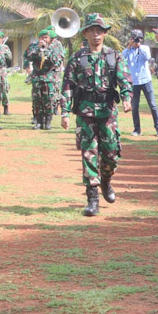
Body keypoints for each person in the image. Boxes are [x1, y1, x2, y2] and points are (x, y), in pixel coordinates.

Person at [59, 13, 133, 216]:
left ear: (105, 33)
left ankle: (106, 181)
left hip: (108, 112)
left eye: (99, 31)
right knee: (89, 153)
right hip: (85, 112)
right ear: (86, 33)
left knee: (111, 154)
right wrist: (64, 112)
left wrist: (127, 97)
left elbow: (125, 80)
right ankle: (92, 199)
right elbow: (67, 86)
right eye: (92, 30)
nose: (96, 34)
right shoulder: (77, 58)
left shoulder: (113, 55)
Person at [123, 28, 158, 136]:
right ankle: (137, 129)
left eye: (139, 39)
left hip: (145, 80)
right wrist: (129, 46)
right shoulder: (129, 50)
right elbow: (121, 58)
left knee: (153, 105)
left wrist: (139, 47)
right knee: (135, 106)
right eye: (135, 39)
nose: (137, 42)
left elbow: (148, 57)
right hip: (134, 82)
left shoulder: (145, 48)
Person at [26, 29, 62, 130]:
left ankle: (48, 121)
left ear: (50, 39)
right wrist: (38, 50)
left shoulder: (55, 47)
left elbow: (56, 61)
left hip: (49, 78)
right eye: (42, 38)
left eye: (46, 38)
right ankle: (38, 121)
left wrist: (46, 51)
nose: (44, 40)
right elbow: (28, 57)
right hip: (37, 77)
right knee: (37, 100)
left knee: (49, 100)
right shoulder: (34, 46)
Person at [0, 31, 13, 116]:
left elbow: (9, 57)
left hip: (2, 71)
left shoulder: (5, 47)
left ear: (2, 39)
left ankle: (6, 108)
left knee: (4, 89)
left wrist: (2, 51)